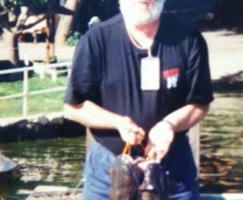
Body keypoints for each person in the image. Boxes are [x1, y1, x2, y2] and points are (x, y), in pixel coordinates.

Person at [64, 0, 214, 199]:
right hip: (108, 170)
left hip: (173, 170)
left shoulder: (189, 39)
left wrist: (169, 125)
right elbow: (74, 107)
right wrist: (118, 122)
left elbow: (200, 103)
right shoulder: (96, 40)